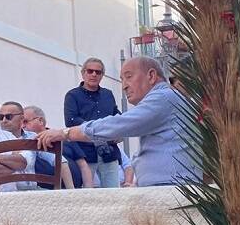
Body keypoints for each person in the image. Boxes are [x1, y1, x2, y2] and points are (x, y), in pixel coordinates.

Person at [38, 56, 197, 187]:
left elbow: (118, 123)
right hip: (87, 153)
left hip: (169, 188)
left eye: (128, 77)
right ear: (83, 73)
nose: (124, 86)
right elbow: (115, 124)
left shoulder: (162, 98)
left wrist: (64, 133)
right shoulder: (73, 95)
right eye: (122, 80)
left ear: (151, 75)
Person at [63, 58, 124, 188]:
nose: (94, 74)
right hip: (84, 153)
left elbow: (116, 116)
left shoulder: (108, 95)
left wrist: (120, 131)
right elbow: (71, 120)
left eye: (98, 72)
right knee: (87, 195)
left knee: (113, 193)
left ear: (102, 75)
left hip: (108, 151)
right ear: (83, 73)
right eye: (90, 71)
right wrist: (100, 130)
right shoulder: (72, 96)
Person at [23, 105, 81, 189]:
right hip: (46, 191)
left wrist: (88, 188)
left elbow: (82, 164)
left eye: (25, 121)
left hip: (73, 190)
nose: (22, 126)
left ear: (40, 121)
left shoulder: (63, 136)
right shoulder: (28, 142)